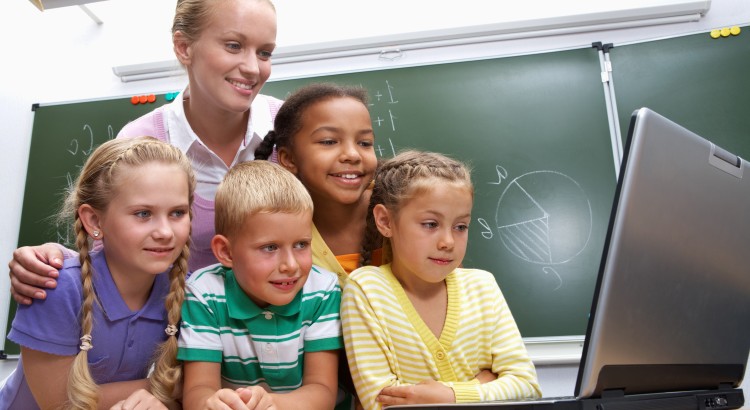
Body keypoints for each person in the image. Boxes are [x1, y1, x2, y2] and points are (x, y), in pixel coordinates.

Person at [8, 0, 282, 303]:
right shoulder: (140, 142)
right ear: (183, 47)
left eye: (265, 52)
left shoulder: (294, 128)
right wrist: (56, 261)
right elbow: (110, 259)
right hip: (175, 340)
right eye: (233, 45)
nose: (253, 67)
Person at [0, 137, 195, 409]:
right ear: (94, 220)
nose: (164, 232)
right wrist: (173, 387)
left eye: (177, 213)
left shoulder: (181, 292)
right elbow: (59, 403)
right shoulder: (56, 288)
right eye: (142, 214)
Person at [341, 151, 543, 409]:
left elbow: (527, 387)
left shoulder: (483, 286)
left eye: (460, 227)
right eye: (430, 224)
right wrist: (482, 384)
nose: (448, 242)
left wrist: (451, 395)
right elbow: (381, 403)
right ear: (385, 221)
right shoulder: (366, 290)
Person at [177, 160, 343, 410]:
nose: (290, 265)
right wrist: (212, 404)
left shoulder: (322, 291)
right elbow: (197, 391)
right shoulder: (204, 294)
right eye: (270, 248)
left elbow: (322, 393)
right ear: (226, 252)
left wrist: (270, 403)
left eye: (301, 244)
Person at [254, 82, 380, 283]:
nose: (352, 154)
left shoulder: (402, 211)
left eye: (364, 143)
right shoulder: (274, 233)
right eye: (329, 141)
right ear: (289, 159)